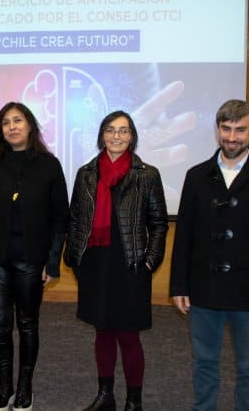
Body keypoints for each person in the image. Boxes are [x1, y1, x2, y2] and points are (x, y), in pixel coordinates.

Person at [169, 99, 249, 411]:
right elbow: (184, 236)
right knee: (204, 362)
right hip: (203, 288)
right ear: (217, 130)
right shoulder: (197, 175)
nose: (232, 137)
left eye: (240, 130)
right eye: (226, 129)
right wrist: (179, 285)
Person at [66, 110, 169, 411]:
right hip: (95, 264)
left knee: (128, 335)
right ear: (102, 135)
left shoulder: (146, 174)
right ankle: (105, 396)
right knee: (102, 332)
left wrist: (150, 261)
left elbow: (159, 223)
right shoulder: (86, 173)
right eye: (111, 130)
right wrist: (74, 258)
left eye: (124, 131)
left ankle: (133, 401)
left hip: (131, 265)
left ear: (132, 137)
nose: (117, 136)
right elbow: (75, 218)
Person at [0, 102, 69, 411]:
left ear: (30, 126)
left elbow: (60, 219)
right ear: (0, 131)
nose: (12, 126)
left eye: (18, 120)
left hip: (32, 262)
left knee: (27, 324)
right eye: (5, 123)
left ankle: (25, 388)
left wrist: (53, 261)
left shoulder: (49, 165)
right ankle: (5, 388)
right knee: (0, 325)